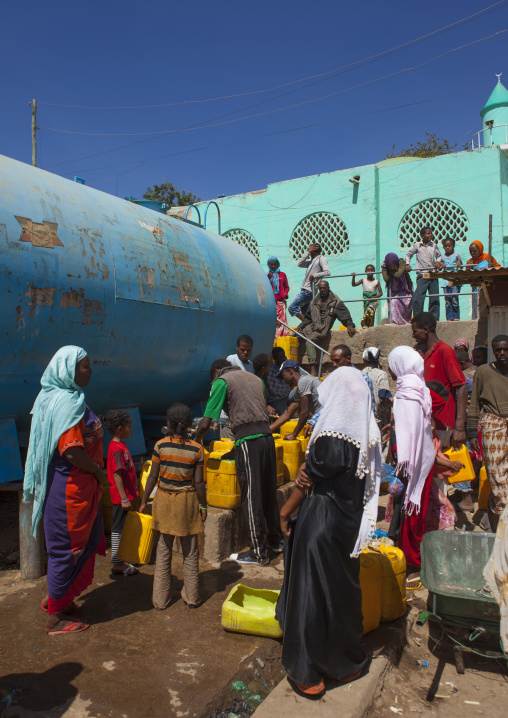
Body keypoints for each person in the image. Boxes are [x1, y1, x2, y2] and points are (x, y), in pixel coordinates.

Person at [275, 367, 381, 696]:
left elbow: (311, 480)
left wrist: (285, 509)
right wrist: (307, 470)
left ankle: (307, 672)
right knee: (341, 593)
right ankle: (345, 664)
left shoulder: (334, 432)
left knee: (309, 593)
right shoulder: (364, 431)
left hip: (321, 519)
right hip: (347, 520)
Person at [23, 346, 106, 635]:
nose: (90, 371)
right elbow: (71, 451)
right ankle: (55, 619)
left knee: (83, 544)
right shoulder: (67, 404)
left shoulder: (68, 399)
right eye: (85, 366)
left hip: (82, 489)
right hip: (70, 492)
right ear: (68, 371)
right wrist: (98, 471)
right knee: (68, 552)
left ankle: (60, 599)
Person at [196, 360, 282, 565]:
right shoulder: (255, 379)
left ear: (215, 372)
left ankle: (258, 553)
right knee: (268, 492)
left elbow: (207, 421)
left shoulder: (222, 381)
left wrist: (196, 442)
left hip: (247, 441)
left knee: (251, 496)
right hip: (267, 439)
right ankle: (276, 541)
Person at [140, 403, 206, 609]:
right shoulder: (198, 449)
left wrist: (143, 501)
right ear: (188, 424)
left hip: (164, 500)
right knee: (190, 551)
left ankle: (160, 600)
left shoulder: (160, 446)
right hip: (186, 501)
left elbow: (152, 476)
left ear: (168, 424)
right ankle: (192, 597)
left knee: (163, 550)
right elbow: (199, 483)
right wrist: (203, 506)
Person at [387, 346, 435, 590]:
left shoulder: (407, 392)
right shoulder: (418, 387)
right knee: (410, 512)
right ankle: (410, 557)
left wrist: (405, 465)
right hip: (419, 464)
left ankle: (412, 564)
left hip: (412, 466)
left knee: (410, 513)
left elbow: (411, 432)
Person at [468, 335, 508, 532]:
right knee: (496, 476)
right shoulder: (483, 372)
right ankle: (501, 520)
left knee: (504, 479)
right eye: (498, 350)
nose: (502, 354)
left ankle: (492, 518)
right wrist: (471, 432)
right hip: (493, 424)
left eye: (505, 349)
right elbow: (474, 402)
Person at [411, 312, 468, 448]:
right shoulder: (425, 354)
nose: (413, 336)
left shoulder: (445, 351)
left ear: (425, 330)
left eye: (415, 331)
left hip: (442, 423)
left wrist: (459, 427)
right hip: (429, 422)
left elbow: (462, 387)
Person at [103, 410, 140, 576]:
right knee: (118, 528)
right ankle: (117, 563)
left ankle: (121, 558)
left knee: (122, 527)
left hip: (123, 496)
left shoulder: (119, 446)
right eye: (128, 426)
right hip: (121, 498)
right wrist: (124, 498)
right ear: (120, 429)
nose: (131, 429)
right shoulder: (117, 449)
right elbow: (117, 474)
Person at [298, 280, 356, 376]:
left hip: (322, 330)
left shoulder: (335, 301)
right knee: (296, 335)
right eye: (320, 288)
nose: (322, 290)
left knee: (310, 341)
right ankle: (295, 361)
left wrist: (349, 325)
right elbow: (308, 317)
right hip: (312, 327)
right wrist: (301, 326)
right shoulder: (315, 301)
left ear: (328, 288)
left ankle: (313, 367)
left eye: (324, 288)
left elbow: (344, 314)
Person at [269, 360, 321, 440]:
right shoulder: (300, 387)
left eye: (283, 376)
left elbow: (305, 412)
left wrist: (294, 434)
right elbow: (287, 415)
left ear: (290, 371)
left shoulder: (303, 382)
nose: (283, 380)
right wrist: (268, 430)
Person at [405, 226, 445, 320]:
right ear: (422, 235)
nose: (430, 235)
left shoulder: (434, 245)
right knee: (419, 297)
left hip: (433, 274)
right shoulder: (417, 245)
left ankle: (434, 318)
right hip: (422, 274)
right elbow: (408, 254)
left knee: (434, 297)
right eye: (428, 233)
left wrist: (437, 262)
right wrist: (407, 264)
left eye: (431, 233)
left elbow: (439, 256)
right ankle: (418, 318)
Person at [361, 348, 392, 458]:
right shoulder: (381, 374)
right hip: (379, 420)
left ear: (364, 360)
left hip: (364, 417)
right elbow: (382, 398)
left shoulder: (360, 374)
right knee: (380, 449)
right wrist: (393, 405)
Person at [288, 243, 330, 321]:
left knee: (292, 307)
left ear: (313, 250)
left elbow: (327, 272)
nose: (309, 250)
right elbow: (300, 264)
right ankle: (308, 328)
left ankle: (309, 325)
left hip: (308, 291)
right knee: (306, 314)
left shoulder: (321, 259)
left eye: (310, 249)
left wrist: (314, 275)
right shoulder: (312, 261)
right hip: (305, 290)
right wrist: (307, 252)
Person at [466, 241, 501, 320]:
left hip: (488, 287)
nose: (472, 253)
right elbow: (466, 275)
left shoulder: (487, 257)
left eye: (475, 251)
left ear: (480, 249)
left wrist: (492, 266)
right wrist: (470, 268)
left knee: (488, 303)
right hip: (476, 288)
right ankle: (476, 320)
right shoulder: (470, 262)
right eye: (471, 251)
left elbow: (498, 267)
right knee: (476, 304)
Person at [381, 253, 413, 325]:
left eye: (393, 265)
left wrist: (390, 272)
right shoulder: (384, 267)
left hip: (405, 290)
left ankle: (402, 322)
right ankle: (394, 321)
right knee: (392, 302)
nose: (392, 267)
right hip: (393, 292)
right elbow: (386, 278)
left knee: (399, 302)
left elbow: (398, 275)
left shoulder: (401, 262)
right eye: (390, 266)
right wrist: (392, 270)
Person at [267, 257, 290, 337]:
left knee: (282, 321)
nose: (273, 266)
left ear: (277, 265)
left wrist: (285, 294)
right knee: (274, 321)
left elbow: (286, 287)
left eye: (275, 264)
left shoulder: (282, 275)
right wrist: (268, 278)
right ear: (269, 265)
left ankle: (282, 337)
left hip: (280, 302)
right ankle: (274, 337)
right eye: (271, 265)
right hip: (271, 303)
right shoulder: (267, 276)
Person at [441, 238, 462, 321]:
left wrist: (459, 262)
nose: (447, 247)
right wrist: (440, 263)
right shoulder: (442, 257)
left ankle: (456, 316)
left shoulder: (456, 255)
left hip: (454, 281)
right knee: (447, 300)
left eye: (449, 246)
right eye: (446, 246)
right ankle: (449, 317)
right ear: (443, 247)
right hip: (445, 281)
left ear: (453, 246)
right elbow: (438, 265)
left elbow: (460, 263)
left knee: (454, 299)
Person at [264, 347, 290, 417]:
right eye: (280, 357)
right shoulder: (270, 369)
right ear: (275, 358)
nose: (283, 359)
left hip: (286, 395)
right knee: (283, 414)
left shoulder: (286, 367)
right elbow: (274, 388)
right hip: (276, 398)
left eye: (283, 356)